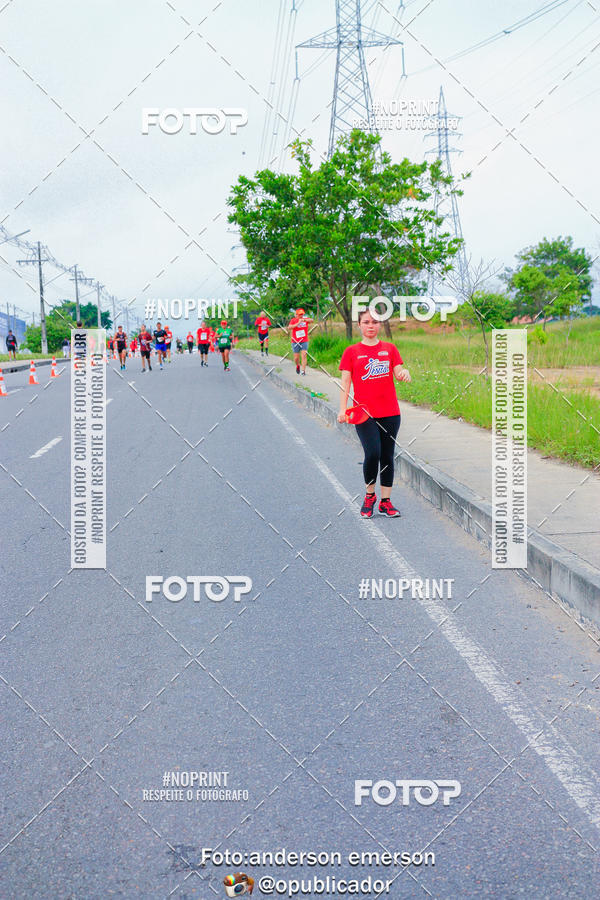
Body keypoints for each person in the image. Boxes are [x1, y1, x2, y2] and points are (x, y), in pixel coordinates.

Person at [337, 309, 411, 519]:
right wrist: (343, 409)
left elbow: (399, 372)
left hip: (390, 412)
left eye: (375, 322)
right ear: (359, 325)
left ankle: (385, 502)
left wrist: (405, 373)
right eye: (366, 322)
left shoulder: (390, 349)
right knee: (372, 454)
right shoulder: (351, 351)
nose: (371, 325)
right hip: (364, 413)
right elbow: (345, 383)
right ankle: (370, 496)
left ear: (379, 325)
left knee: (387, 456)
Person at [289, 308, 313, 375]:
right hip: (295, 341)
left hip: (304, 340)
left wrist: (304, 320)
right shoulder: (293, 320)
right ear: (296, 315)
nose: (301, 315)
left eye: (302, 314)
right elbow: (289, 327)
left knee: (304, 355)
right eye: (300, 314)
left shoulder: (305, 319)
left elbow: (312, 320)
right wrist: (297, 323)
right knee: (296, 358)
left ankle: (303, 371)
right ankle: (298, 365)